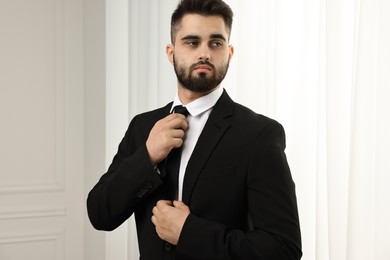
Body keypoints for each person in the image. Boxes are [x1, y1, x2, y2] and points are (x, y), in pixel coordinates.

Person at [87, 0, 302, 259]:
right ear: (171, 52)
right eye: (191, 42)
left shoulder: (259, 134)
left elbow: (283, 249)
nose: (204, 53)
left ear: (229, 53)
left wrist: (189, 231)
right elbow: (100, 214)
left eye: (216, 43)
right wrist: (147, 156)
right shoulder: (143, 127)